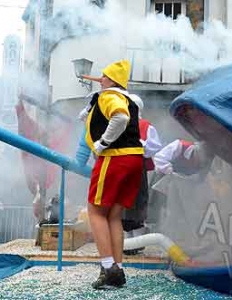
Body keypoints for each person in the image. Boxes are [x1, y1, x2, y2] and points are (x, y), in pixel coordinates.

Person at [81, 60, 144, 289]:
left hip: (115, 157)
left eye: (103, 76)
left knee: (95, 211)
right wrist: (89, 109)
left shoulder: (108, 96)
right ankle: (118, 269)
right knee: (114, 215)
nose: (100, 79)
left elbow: (120, 117)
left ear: (111, 80)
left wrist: (101, 144)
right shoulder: (129, 99)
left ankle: (108, 269)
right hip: (134, 158)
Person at [122, 94, 162, 255]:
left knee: (136, 204)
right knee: (123, 205)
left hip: (137, 170)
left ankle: (136, 244)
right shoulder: (119, 123)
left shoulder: (145, 126)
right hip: (122, 169)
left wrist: (140, 146)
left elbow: (154, 147)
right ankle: (126, 244)